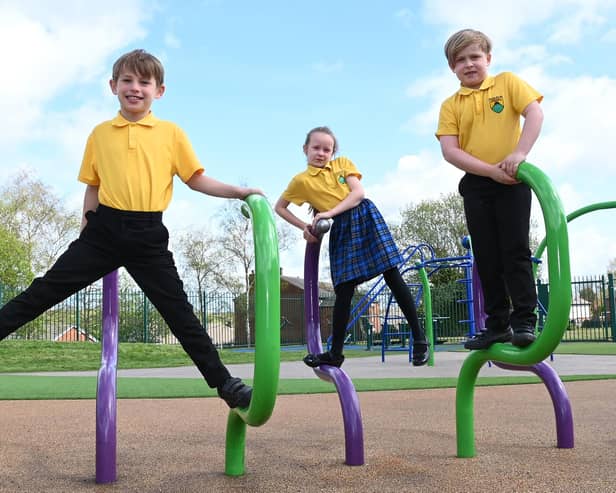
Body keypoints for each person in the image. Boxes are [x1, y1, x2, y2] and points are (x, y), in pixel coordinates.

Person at [0, 49, 258, 408]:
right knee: (42, 292)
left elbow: (196, 179)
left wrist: (239, 192)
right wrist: (84, 233)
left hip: (148, 235)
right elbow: (92, 185)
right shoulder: (100, 134)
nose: (135, 88)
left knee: (180, 314)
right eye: (127, 80)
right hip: (102, 232)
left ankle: (226, 385)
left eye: (144, 82)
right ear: (113, 85)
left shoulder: (170, 133)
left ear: (159, 91)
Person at [275, 126, 430, 368]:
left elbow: (357, 193)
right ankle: (335, 353)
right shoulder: (301, 181)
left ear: (333, 152)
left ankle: (420, 339)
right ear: (305, 149)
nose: (321, 153)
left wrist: (329, 212)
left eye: (327, 149)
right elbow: (280, 207)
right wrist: (304, 227)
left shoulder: (342, 164)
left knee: (391, 274)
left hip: (363, 216)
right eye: (316, 148)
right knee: (344, 290)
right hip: (341, 229)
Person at [435, 29, 544, 350]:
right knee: (486, 257)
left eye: (475, 57)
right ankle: (497, 324)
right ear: (452, 68)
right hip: (478, 183)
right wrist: (489, 172)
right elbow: (450, 151)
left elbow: (534, 113)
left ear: (488, 59)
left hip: (512, 179)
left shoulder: (507, 83)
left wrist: (518, 154)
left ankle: (524, 320)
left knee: (515, 251)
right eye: (461, 60)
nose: (469, 64)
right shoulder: (451, 105)